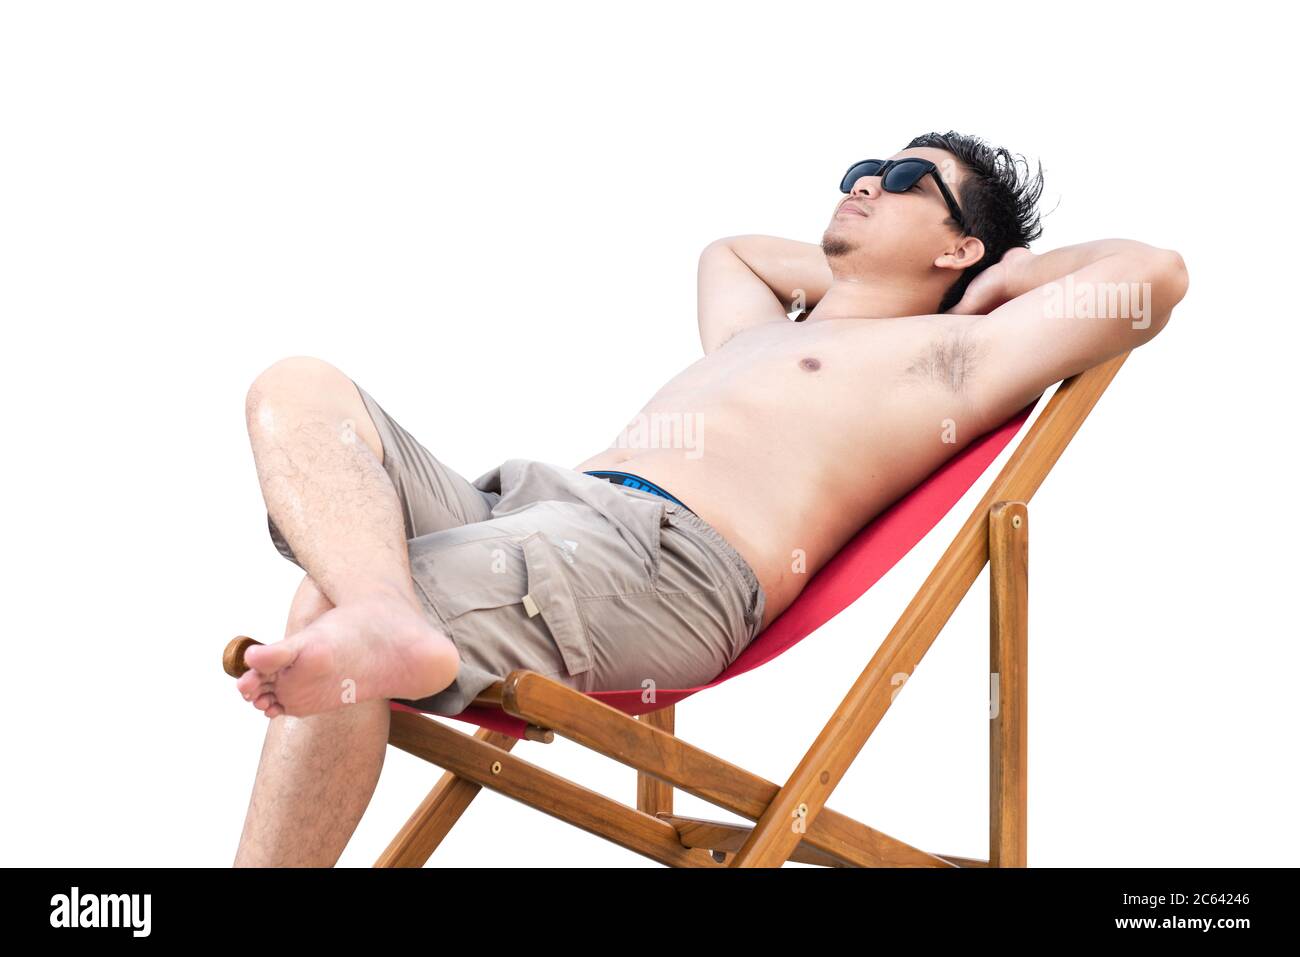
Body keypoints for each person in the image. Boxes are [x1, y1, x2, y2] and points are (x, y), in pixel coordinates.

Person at [232, 130, 1188, 865]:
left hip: (663, 564)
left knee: (325, 611)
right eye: (864, 165)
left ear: (960, 244)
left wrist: (1003, 281)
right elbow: (727, 251)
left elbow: (1155, 276)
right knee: (297, 385)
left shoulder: (952, 360)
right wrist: (882, 274)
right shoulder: (760, 330)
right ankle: (388, 615)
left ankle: (377, 618)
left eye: (907, 181)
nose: (865, 182)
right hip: (531, 510)